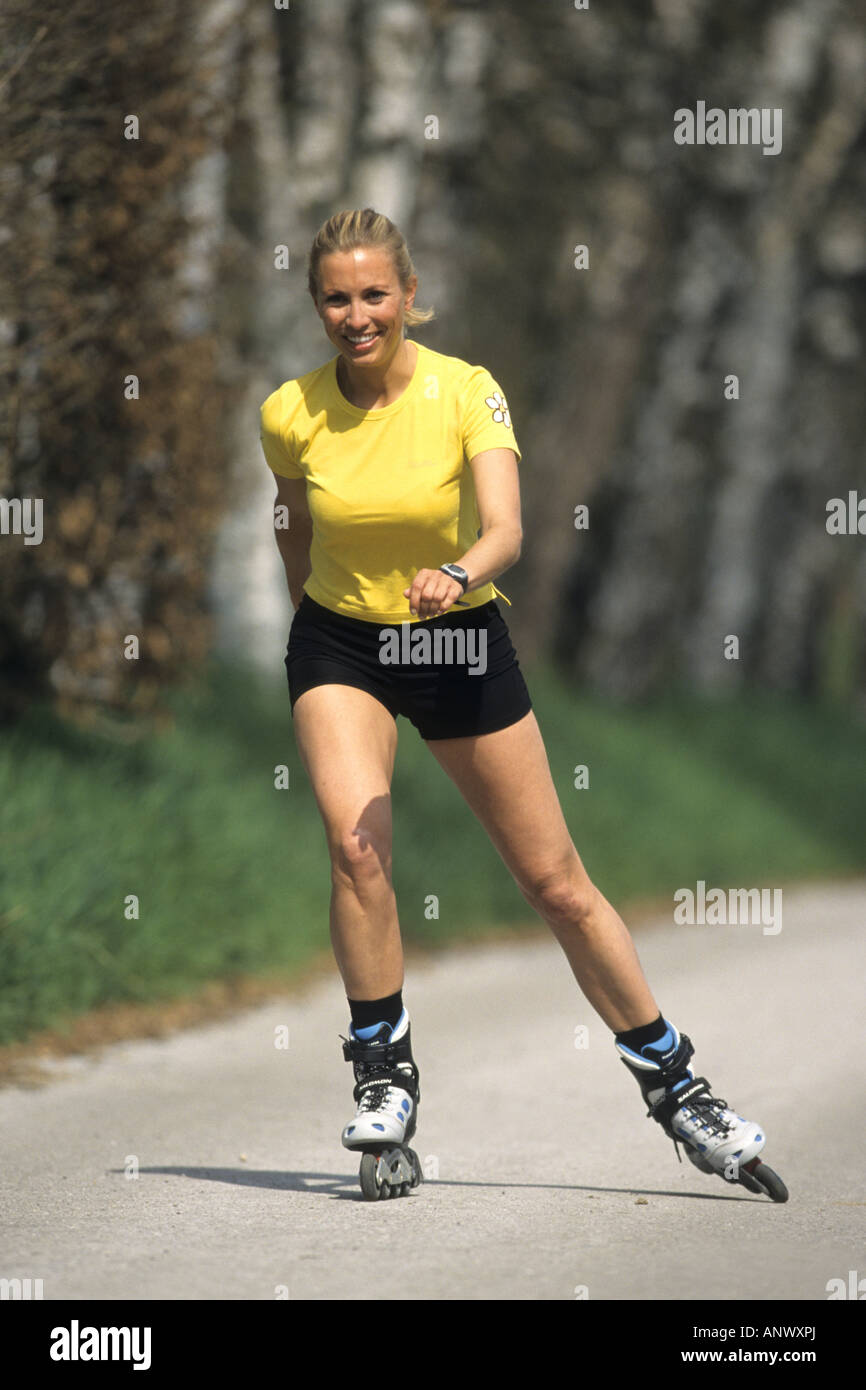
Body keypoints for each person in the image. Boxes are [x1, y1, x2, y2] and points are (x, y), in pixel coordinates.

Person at [259, 208, 785, 1202]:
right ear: (316, 303)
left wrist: (454, 574)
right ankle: (384, 1075)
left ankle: (677, 1088)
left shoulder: (464, 391)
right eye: (337, 296)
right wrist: (308, 626)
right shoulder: (289, 409)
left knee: (553, 882)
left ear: (409, 296)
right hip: (341, 642)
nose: (356, 313)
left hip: (457, 634)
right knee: (352, 841)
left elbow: (505, 529)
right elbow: (290, 522)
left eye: (375, 293)